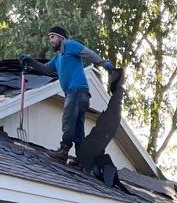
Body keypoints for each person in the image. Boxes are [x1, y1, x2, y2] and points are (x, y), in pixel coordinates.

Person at [23, 25, 115, 163]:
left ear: (61, 38)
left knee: (68, 119)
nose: (50, 40)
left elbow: (87, 53)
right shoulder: (58, 57)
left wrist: (102, 63)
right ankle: (82, 159)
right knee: (78, 128)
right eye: (49, 37)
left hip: (77, 90)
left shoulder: (70, 45)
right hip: (79, 94)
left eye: (52, 37)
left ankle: (63, 151)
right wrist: (30, 61)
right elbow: (46, 69)